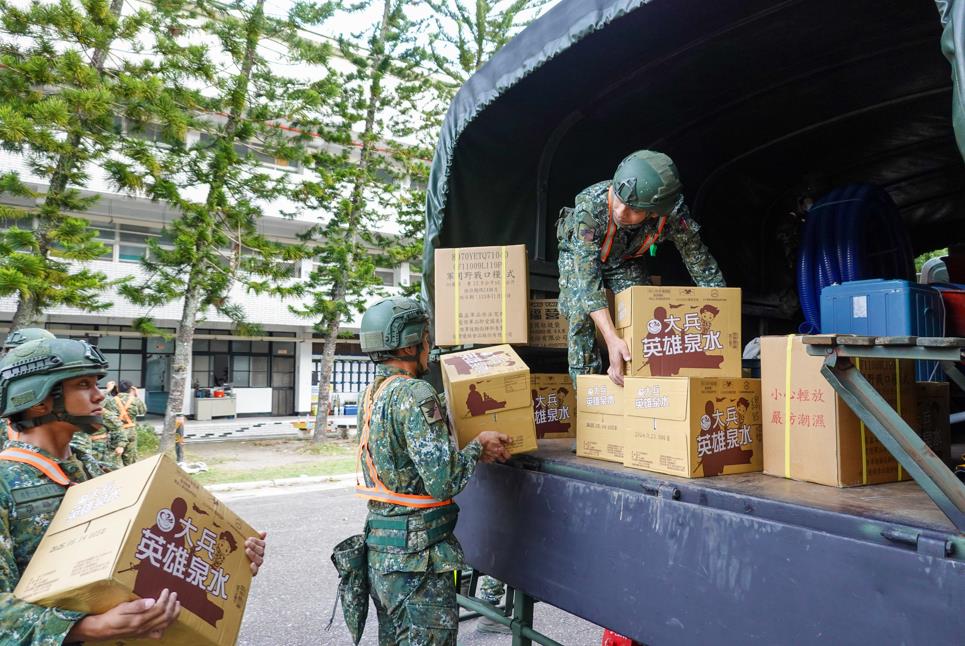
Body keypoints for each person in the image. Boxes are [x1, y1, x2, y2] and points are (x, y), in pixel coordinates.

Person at [0, 337, 267, 642]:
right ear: (38, 400)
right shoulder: (6, 484)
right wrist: (88, 627)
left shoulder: (101, 474)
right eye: (84, 384)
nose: (99, 395)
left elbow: (153, 556)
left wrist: (232, 562)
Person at [349, 297, 512, 645]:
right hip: (418, 564)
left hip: (382, 554)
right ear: (409, 344)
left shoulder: (373, 393)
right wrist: (477, 446)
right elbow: (444, 481)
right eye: (425, 339)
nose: (430, 347)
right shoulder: (416, 393)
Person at [556, 150, 725, 386]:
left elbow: (700, 263)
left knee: (645, 314)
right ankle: (587, 396)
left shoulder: (673, 214)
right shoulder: (590, 206)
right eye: (619, 199)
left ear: (654, 212)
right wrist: (612, 339)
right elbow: (587, 278)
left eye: (634, 209)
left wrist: (722, 316)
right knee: (580, 316)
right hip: (579, 257)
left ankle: (640, 383)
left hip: (624, 259)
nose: (620, 212)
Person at [103, 380, 147, 466]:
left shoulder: (111, 400)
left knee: (115, 460)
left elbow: (101, 408)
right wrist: (136, 395)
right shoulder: (135, 400)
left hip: (117, 433)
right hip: (131, 432)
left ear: (118, 388)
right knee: (130, 461)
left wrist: (108, 390)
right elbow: (143, 411)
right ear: (131, 389)